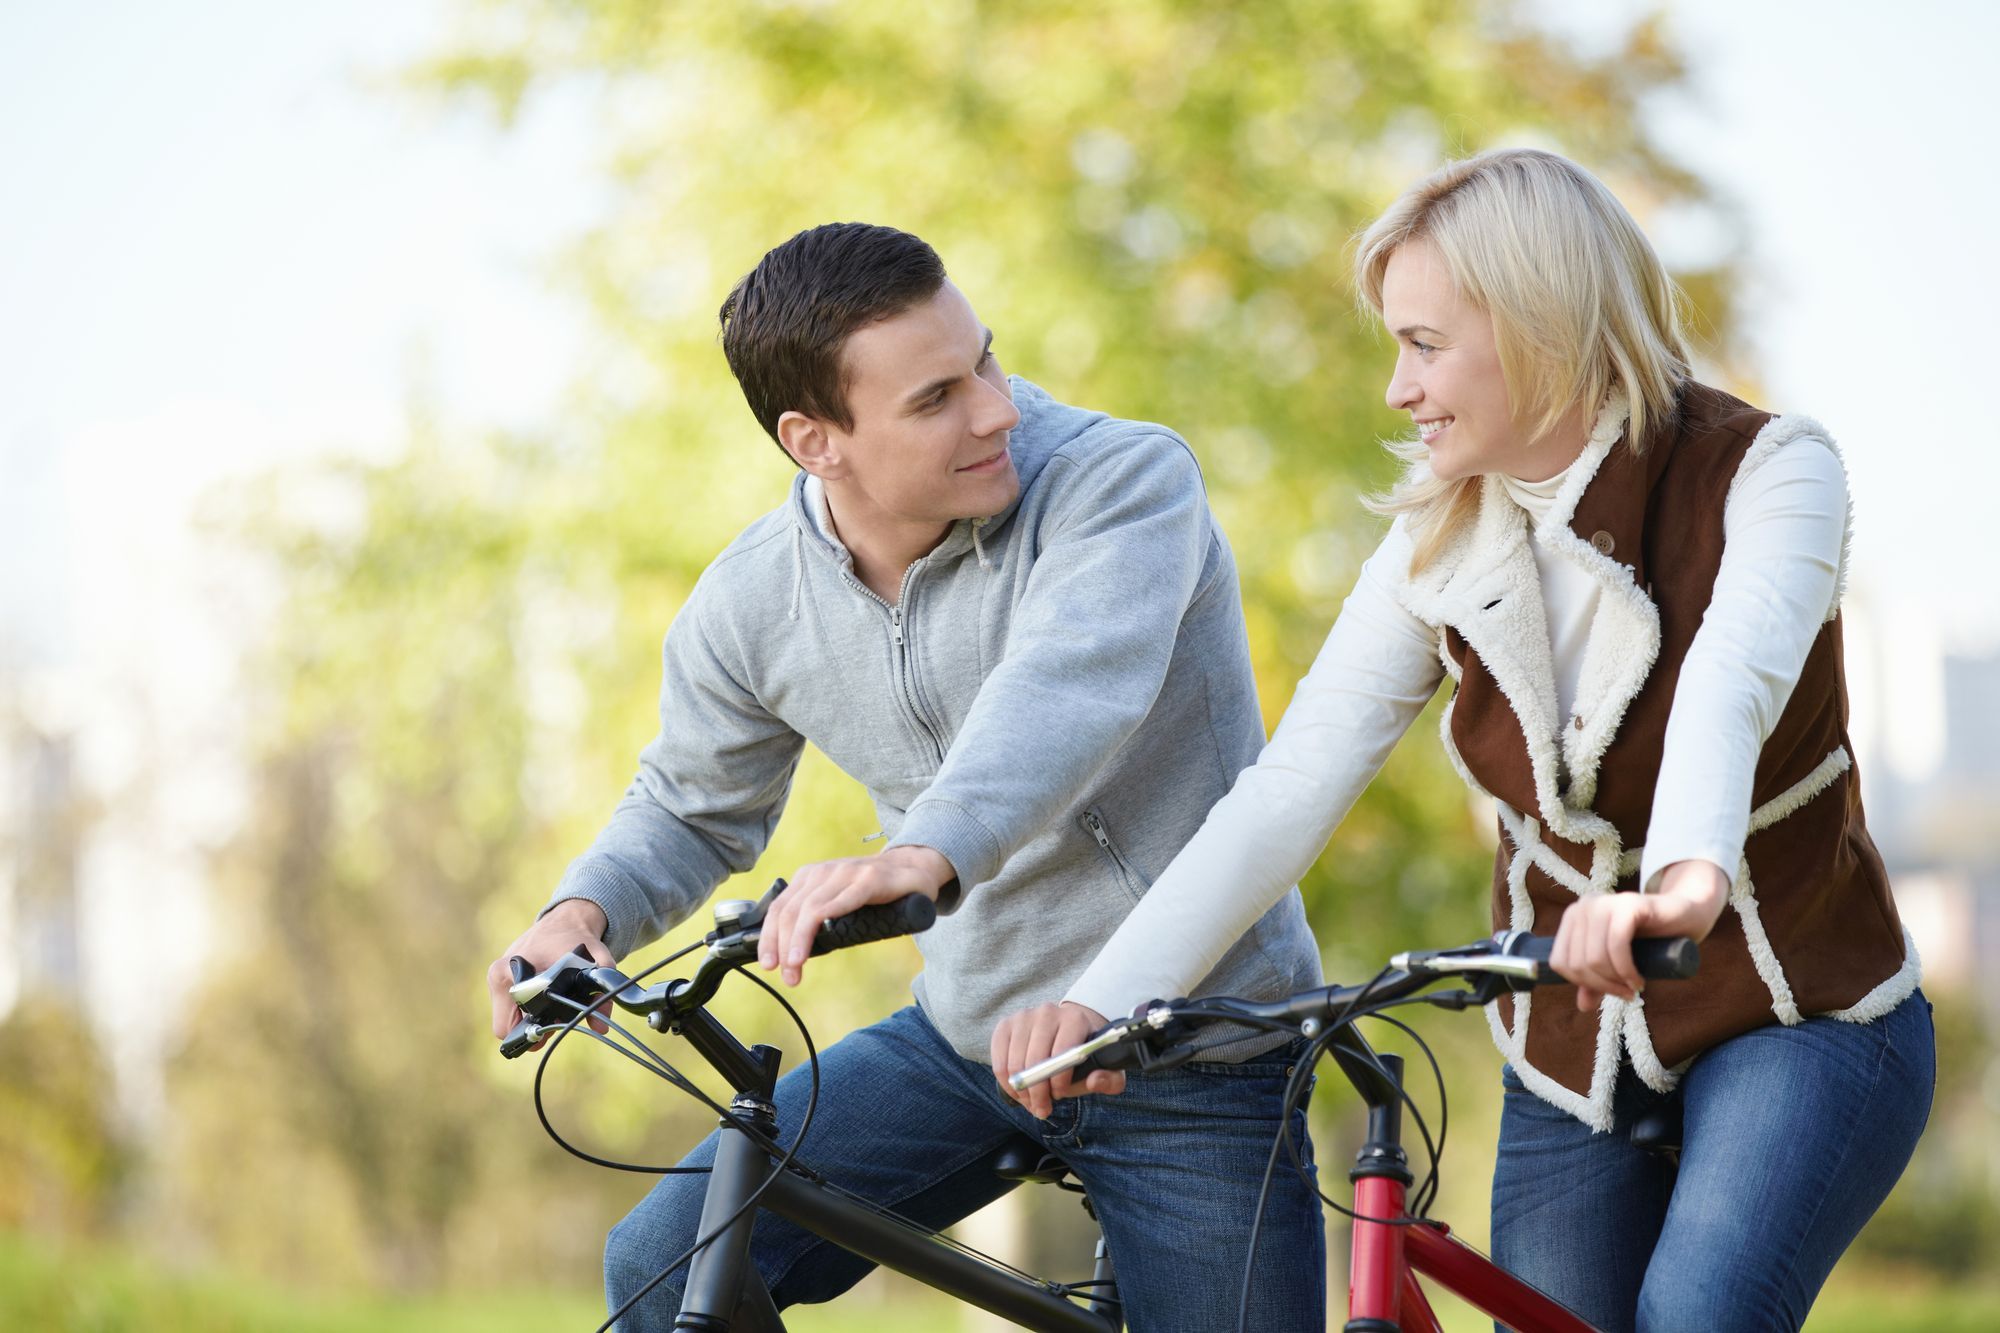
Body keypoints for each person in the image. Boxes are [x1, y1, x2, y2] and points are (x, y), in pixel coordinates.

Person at [991, 149, 1934, 1332]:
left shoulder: (1766, 470)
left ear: (1543, 324)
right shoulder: (1440, 537)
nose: (1395, 388)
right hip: (1567, 1036)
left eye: (1424, 344)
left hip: (1798, 1008)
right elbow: (1288, 786)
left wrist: (1679, 891)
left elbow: (1726, 686)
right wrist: (1104, 1000)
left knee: (1696, 1310)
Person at [484, 222, 1327, 1330]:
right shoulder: (751, 605)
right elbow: (690, 801)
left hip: (1188, 1039)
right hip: (970, 1037)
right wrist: (579, 912)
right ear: (814, 441)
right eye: (936, 398)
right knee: (664, 1263)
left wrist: (921, 854)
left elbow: (1067, 689)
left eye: (984, 360)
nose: (996, 409)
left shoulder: (1120, 481)